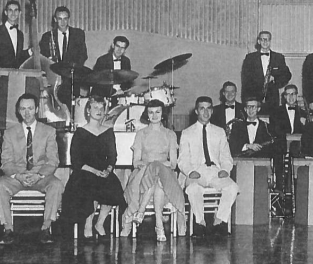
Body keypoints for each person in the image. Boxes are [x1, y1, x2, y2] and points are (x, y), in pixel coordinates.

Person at [0, 93, 64, 244]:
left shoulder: (49, 131)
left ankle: (46, 229)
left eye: (30, 108)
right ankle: (8, 230)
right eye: (23, 109)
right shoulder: (9, 133)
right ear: (18, 111)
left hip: (40, 176)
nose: (27, 112)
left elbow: (53, 160)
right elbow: (5, 161)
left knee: (56, 185)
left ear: (37, 109)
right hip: (18, 176)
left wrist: (39, 175)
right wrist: (18, 176)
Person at [60, 96, 127, 239]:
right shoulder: (80, 132)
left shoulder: (108, 132)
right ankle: (88, 224)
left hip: (104, 171)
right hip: (84, 172)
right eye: (95, 107)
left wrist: (108, 170)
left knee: (113, 188)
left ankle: (100, 223)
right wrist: (94, 171)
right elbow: (76, 160)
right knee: (91, 187)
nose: (99, 110)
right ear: (88, 111)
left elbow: (113, 156)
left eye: (102, 108)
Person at [122, 100, 186, 240]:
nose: (154, 115)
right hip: (143, 172)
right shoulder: (141, 134)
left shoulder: (170, 134)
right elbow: (135, 162)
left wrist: (158, 165)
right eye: (151, 112)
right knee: (155, 178)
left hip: (165, 173)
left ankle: (141, 211)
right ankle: (159, 226)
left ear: (163, 114)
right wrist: (150, 166)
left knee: (159, 175)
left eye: (158, 112)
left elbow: (174, 163)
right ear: (147, 114)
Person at [179, 96, 239, 237]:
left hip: (215, 171)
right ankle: (200, 223)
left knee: (232, 187)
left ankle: (219, 221)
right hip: (196, 171)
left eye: (208, 109)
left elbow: (226, 156)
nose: (205, 112)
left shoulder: (220, 132)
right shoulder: (187, 133)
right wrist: (190, 171)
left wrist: (225, 169)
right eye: (202, 108)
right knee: (193, 188)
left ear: (212, 111)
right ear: (196, 111)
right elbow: (183, 159)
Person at [0, 0, 31, 125]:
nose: (13, 13)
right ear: (5, 13)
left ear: (19, 13)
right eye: (10, 10)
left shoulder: (20, 34)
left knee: (9, 118)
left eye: (16, 10)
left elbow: (15, 59)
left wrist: (29, 53)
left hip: (12, 82)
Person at [39, 6, 88, 102]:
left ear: (69, 19)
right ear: (55, 19)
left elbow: (83, 55)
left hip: (72, 80)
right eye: (59, 19)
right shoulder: (47, 36)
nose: (63, 22)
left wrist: (71, 71)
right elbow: (43, 59)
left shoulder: (78, 34)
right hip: (54, 80)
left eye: (65, 19)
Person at [240, 31, 292, 116]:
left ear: (270, 41)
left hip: (272, 99)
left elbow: (287, 75)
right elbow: (245, 81)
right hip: (254, 98)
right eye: (262, 39)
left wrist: (275, 80)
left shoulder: (278, 57)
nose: (265, 42)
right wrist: (246, 100)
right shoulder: (250, 58)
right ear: (258, 41)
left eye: (267, 39)